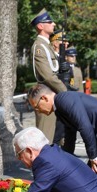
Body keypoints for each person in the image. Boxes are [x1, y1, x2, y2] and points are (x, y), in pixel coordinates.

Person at [27, 84, 97, 183]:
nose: (38, 111)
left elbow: (84, 126)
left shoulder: (63, 99)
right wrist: (64, 160)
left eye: (36, 107)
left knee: (94, 180)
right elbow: (70, 134)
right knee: (88, 178)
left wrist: (93, 156)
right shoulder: (59, 107)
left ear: (44, 98)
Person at [30, 8, 68, 144]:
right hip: (46, 95)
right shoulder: (39, 47)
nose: (54, 24)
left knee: (54, 137)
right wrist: (65, 92)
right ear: (40, 26)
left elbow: (54, 69)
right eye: (50, 22)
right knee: (45, 138)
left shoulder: (47, 45)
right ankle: (42, 165)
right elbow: (47, 76)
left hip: (53, 94)